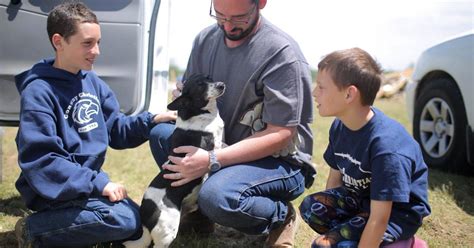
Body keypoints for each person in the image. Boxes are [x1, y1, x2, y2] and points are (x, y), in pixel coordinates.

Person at [149, 0, 315, 246]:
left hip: (279, 161)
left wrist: (212, 160)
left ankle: (280, 216)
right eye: (219, 15)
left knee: (217, 197)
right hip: (225, 146)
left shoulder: (282, 53)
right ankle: (200, 214)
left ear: (261, 4)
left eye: (238, 17)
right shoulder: (205, 40)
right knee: (162, 135)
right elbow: (192, 95)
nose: (227, 25)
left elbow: (280, 134)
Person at [13, 2, 176, 247]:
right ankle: (34, 230)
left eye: (98, 42)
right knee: (124, 221)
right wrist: (99, 183)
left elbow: (116, 130)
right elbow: (44, 158)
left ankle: (78, 225)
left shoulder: (91, 80)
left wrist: (150, 121)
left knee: (137, 221)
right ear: (59, 42)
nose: (97, 51)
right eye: (87, 43)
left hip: (85, 184)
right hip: (54, 188)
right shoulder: (39, 91)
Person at [299, 48, 431, 247]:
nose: (314, 92)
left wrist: (331, 241)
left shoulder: (386, 146)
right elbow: (335, 181)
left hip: (395, 215)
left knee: (321, 246)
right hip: (362, 203)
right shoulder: (340, 125)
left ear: (349, 94)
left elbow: (380, 218)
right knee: (312, 207)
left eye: (322, 87)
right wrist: (335, 232)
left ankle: (405, 243)